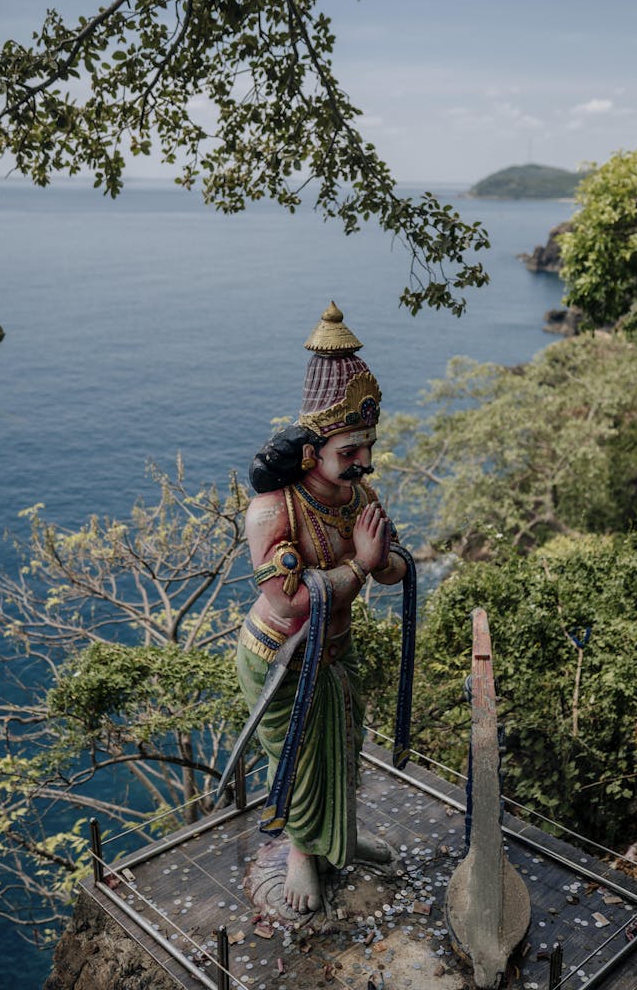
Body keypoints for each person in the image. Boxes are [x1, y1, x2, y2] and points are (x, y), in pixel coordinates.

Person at [236, 302, 406, 914]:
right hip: (282, 656)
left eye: (368, 447)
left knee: (345, 745)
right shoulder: (273, 511)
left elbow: (391, 561)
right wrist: (362, 565)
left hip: (337, 650)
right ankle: (304, 853)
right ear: (312, 451)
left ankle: (343, 836)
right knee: (300, 759)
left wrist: (384, 559)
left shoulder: (358, 494)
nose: (363, 462)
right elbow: (288, 598)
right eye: (349, 451)